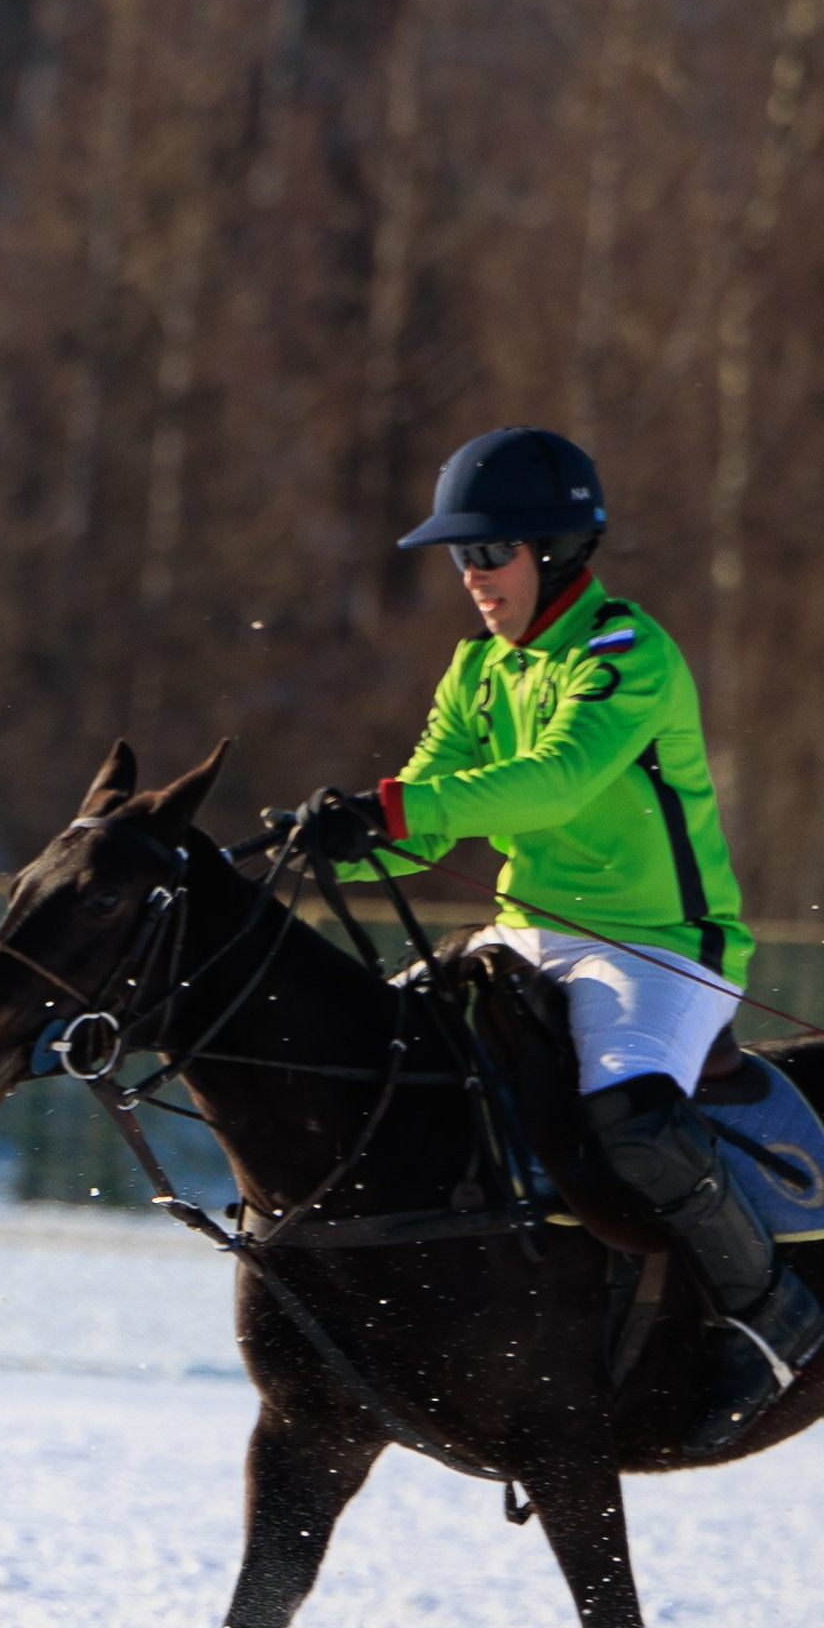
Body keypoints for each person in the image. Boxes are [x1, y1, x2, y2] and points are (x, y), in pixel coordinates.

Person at [299, 424, 822, 1450]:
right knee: (381, 1058)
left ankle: (775, 1315)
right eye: (460, 558)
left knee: (626, 1113)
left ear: (556, 550)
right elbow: (431, 817)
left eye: (488, 553)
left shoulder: (627, 651)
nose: (472, 578)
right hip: (529, 933)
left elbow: (554, 782)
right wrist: (341, 840)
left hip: (663, 949)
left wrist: (396, 810)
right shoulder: (476, 671)